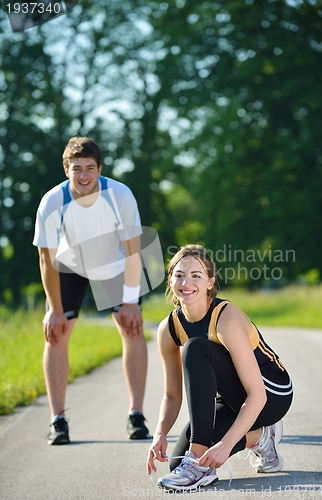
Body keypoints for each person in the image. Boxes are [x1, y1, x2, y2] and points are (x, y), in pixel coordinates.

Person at [147, 244, 293, 491]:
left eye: (196, 275)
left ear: (210, 282)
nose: (186, 282)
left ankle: (198, 461)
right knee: (177, 465)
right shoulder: (169, 327)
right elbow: (171, 395)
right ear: (170, 280)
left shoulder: (225, 316)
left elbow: (257, 394)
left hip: (270, 394)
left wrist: (225, 446)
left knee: (195, 348)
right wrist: (159, 434)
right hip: (230, 396)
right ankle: (261, 437)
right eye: (179, 274)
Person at [33, 136, 150, 444]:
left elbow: (133, 250)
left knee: (133, 329)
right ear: (65, 170)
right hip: (69, 265)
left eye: (89, 168)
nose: (83, 176)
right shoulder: (53, 201)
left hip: (113, 263)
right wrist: (55, 310)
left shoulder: (119, 195)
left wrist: (130, 304)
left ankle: (136, 415)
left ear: (100, 169)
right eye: (76, 169)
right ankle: (57, 421)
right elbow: (46, 259)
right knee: (56, 333)